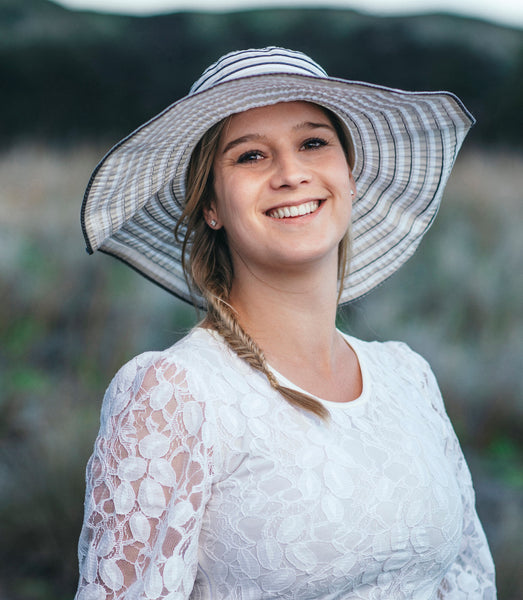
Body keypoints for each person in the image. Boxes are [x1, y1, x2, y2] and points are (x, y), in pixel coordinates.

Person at [75, 47, 496, 598]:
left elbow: (467, 581)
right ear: (212, 207)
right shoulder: (174, 396)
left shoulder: (408, 376)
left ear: (349, 174)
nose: (292, 174)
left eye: (313, 143)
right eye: (250, 156)